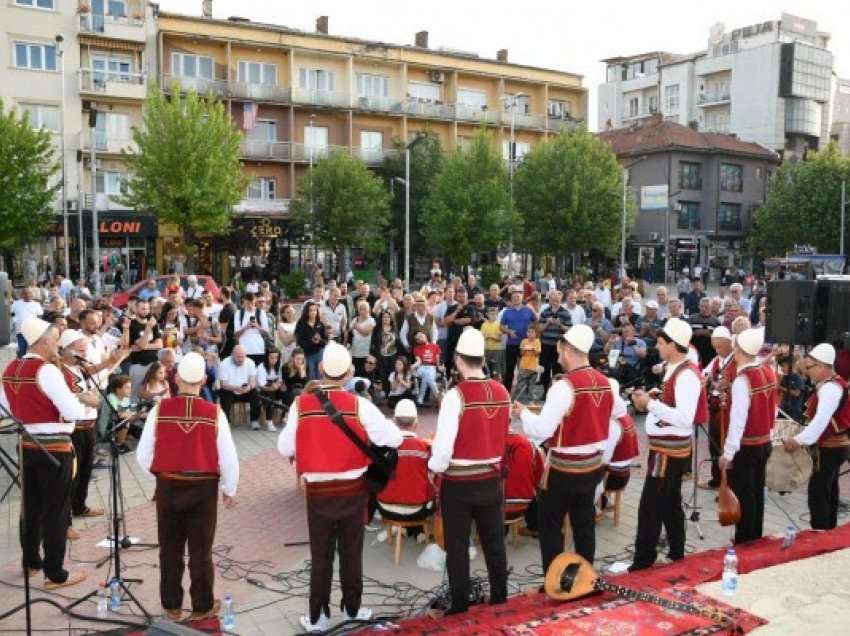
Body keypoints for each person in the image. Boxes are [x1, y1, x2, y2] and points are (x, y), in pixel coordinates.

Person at [278, 343, 402, 632]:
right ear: (349, 372)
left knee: (320, 554)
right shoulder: (360, 405)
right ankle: (353, 609)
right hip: (353, 489)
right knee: (351, 551)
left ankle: (317, 617)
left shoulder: (301, 404)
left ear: (320, 369)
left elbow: (284, 446)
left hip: (318, 493)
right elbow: (394, 438)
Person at [136, 352, 239, 621]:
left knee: (169, 548)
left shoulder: (160, 409)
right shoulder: (215, 413)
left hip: (169, 485)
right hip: (204, 489)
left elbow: (143, 455)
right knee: (201, 550)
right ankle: (202, 605)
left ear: (177, 378)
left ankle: (171, 605)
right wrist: (230, 488)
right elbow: (228, 457)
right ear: (204, 379)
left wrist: (158, 479)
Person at [0, 317, 99, 588]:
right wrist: (84, 401)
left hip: (27, 445)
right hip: (55, 447)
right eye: (55, 338)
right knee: (55, 510)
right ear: (43, 341)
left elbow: (4, 408)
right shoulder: (47, 370)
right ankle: (55, 574)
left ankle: (31, 561)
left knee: (30, 507)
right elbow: (73, 413)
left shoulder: (10, 368)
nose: (57, 343)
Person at [515, 324, 623, 570]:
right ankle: (585, 574)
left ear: (568, 350)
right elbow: (620, 411)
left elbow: (542, 430)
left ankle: (554, 579)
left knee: (550, 526)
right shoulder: (605, 381)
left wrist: (523, 414)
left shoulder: (565, 386)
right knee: (584, 524)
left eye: (560, 350)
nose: (558, 355)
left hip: (564, 468)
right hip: (592, 465)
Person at [429, 328, 509, 615]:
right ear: (483, 359)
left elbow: (443, 451)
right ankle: (500, 596)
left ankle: (460, 604)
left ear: (459, 360)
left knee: (458, 546)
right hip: (490, 479)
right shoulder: (502, 392)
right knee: (494, 542)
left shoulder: (455, 396)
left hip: (459, 484)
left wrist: (431, 468)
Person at [629, 318, 708, 570]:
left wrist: (649, 404)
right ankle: (676, 550)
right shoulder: (675, 367)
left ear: (674, 345)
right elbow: (672, 403)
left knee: (650, 506)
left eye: (661, 343)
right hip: (666, 448)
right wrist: (653, 397)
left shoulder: (687, 375)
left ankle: (643, 560)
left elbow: (685, 419)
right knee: (670, 502)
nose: (658, 347)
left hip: (668, 451)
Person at [782, 344, 850, 530]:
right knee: (830, 490)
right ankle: (829, 531)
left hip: (830, 448)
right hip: (835, 447)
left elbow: (820, 422)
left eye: (810, 368)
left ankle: (820, 535)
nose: (807, 373)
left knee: (818, 494)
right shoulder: (833, 384)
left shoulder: (829, 389)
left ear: (822, 366)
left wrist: (797, 441)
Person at [719, 329, 776, 545]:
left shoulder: (743, 380)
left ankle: (745, 540)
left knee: (745, 495)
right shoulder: (768, 371)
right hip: (764, 442)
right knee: (757, 492)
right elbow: (773, 408)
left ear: (738, 350)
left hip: (747, 445)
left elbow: (738, 421)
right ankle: (755, 535)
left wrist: (728, 453)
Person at [57, 329, 105, 542]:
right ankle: (64, 521)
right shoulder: (59, 369)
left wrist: (113, 360)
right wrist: (87, 398)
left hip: (88, 425)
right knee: (71, 476)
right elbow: (69, 397)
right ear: (67, 349)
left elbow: (94, 372)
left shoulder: (78, 367)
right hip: (73, 429)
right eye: (80, 347)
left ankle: (80, 506)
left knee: (85, 470)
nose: (84, 351)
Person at [375, 399, 434, 539]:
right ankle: (417, 531)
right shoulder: (425, 447)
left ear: (395, 421)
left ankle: (407, 530)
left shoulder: (382, 447)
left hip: (385, 508)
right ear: (416, 423)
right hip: (417, 509)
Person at [700, 326, 736, 490]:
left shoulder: (736, 360)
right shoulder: (716, 360)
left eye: (720, 347)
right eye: (715, 347)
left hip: (728, 409)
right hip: (715, 407)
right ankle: (716, 479)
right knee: (713, 444)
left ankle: (728, 484)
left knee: (725, 445)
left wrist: (714, 384)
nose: (717, 350)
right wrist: (707, 381)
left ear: (729, 343)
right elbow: (705, 374)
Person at [218, 345, 261, 431]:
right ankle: (227, 422)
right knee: (224, 393)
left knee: (255, 393)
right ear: (232, 355)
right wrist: (236, 388)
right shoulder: (224, 363)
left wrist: (249, 387)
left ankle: (254, 420)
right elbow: (223, 384)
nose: (241, 359)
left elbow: (253, 381)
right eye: (238, 357)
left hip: (245, 390)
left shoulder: (250, 362)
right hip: (230, 390)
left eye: (243, 357)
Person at [501, 289, 536, 392]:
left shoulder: (528, 310)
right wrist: (509, 331)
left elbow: (536, 322)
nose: (516, 298)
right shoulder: (507, 312)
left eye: (518, 296)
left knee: (527, 367)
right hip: (511, 344)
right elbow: (501, 327)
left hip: (526, 344)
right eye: (514, 297)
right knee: (510, 368)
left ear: (522, 298)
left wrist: (534, 335)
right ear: (511, 299)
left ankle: (526, 388)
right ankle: (507, 389)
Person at [128, 299, 163, 399]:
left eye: (147, 309)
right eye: (143, 309)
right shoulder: (132, 324)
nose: (146, 311)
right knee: (135, 394)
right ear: (136, 309)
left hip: (153, 364)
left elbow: (160, 344)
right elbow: (142, 344)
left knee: (153, 392)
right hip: (139, 365)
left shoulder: (153, 323)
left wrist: (142, 347)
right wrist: (147, 328)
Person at [538, 291, 571, 391]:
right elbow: (539, 329)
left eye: (557, 300)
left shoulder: (565, 313)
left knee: (558, 370)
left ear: (560, 301)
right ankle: (545, 391)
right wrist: (547, 323)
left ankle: (557, 391)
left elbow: (570, 329)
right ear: (550, 301)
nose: (555, 302)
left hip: (559, 346)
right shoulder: (544, 312)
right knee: (545, 369)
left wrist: (560, 325)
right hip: (545, 345)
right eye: (553, 300)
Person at [231, 293, 271, 367]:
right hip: (244, 350)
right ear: (244, 301)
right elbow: (236, 334)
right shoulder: (239, 313)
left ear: (255, 301)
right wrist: (246, 327)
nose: (250, 306)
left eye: (252, 303)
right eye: (248, 303)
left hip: (259, 350)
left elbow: (266, 333)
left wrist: (257, 326)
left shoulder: (261, 313)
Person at [296, 302, 327, 380]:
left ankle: (320, 392)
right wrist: (312, 341)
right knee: (310, 377)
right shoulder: (301, 324)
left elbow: (325, 342)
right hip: (307, 355)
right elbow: (299, 342)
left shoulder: (320, 324)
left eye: (315, 310)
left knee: (320, 376)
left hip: (319, 354)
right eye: (310, 310)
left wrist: (319, 341)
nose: (313, 312)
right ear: (306, 312)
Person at [12, 286, 44, 358]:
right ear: (21, 295)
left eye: (29, 293)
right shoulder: (16, 304)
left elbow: (40, 316)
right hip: (20, 331)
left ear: (32, 294)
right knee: (22, 349)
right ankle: (19, 364)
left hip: (32, 331)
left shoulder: (36, 304)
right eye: (25, 293)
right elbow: (10, 313)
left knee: (32, 351)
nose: (27, 295)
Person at [257, 348, 285, 432]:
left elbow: (280, 380)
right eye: (272, 357)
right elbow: (261, 385)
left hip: (275, 387)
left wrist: (278, 385)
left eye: (276, 357)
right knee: (270, 395)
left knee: (287, 392)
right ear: (267, 357)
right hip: (263, 390)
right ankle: (269, 422)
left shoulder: (279, 365)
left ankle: (284, 417)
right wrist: (272, 387)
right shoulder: (261, 367)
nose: (274, 360)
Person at [412, 332, 441, 407]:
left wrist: (439, 367)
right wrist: (413, 366)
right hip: (421, 367)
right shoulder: (416, 349)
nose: (420, 339)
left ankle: (420, 400)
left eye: (421, 336)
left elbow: (438, 361)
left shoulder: (435, 346)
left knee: (426, 376)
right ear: (417, 341)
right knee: (427, 374)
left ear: (425, 335)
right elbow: (419, 361)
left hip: (432, 367)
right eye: (417, 339)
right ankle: (439, 397)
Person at [513, 325, 541, 403]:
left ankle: (531, 400)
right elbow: (521, 354)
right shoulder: (524, 341)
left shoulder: (537, 341)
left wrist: (532, 349)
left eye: (532, 332)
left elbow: (537, 354)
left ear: (536, 333)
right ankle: (517, 399)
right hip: (524, 366)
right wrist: (524, 349)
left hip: (533, 367)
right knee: (520, 384)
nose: (530, 333)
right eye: (528, 332)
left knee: (532, 385)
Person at [689, 297, 720, 367]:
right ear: (699, 306)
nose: (703, 309)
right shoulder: (692, 319)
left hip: (710, 354)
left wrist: (709, 334)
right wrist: (695, 333)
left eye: (706, 307)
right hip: (694, 352)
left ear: (711, 307)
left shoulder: (716, 321)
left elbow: (718, 339)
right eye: (702, 306)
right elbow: (686, 335)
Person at [349, 301, 376, 377]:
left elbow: (365, 332)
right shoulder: (355, 319)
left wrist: (356, 326)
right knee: (356, 373)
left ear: (368, 310)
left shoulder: (371, 320)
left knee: (366, 373)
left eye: (365, 309)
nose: (362, 311)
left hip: (366, 352)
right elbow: (349, 330)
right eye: (361, 309)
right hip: (355, 352)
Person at [776, 355, 804, 423]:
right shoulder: (784, 377)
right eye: (781, 366)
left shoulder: (797, 378)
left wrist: (781, 387)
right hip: (783, 408)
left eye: (783, 366)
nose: (782, 368)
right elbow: (778, 388)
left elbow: (797, 393)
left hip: (794, 410)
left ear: (790, 365)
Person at [481, 306, 505, 379]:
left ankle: (497, 385)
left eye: (495, 314)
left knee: (496, 370)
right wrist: (491, 336)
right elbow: (482, 337)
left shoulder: (499, 325)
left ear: (497, 315)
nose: (493, 316)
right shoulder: (484, 325)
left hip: (497, 350)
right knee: (486, 369)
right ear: (487, 315)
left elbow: (498, 338)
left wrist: (488, 336)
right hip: (486, 349)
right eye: (491, 314)